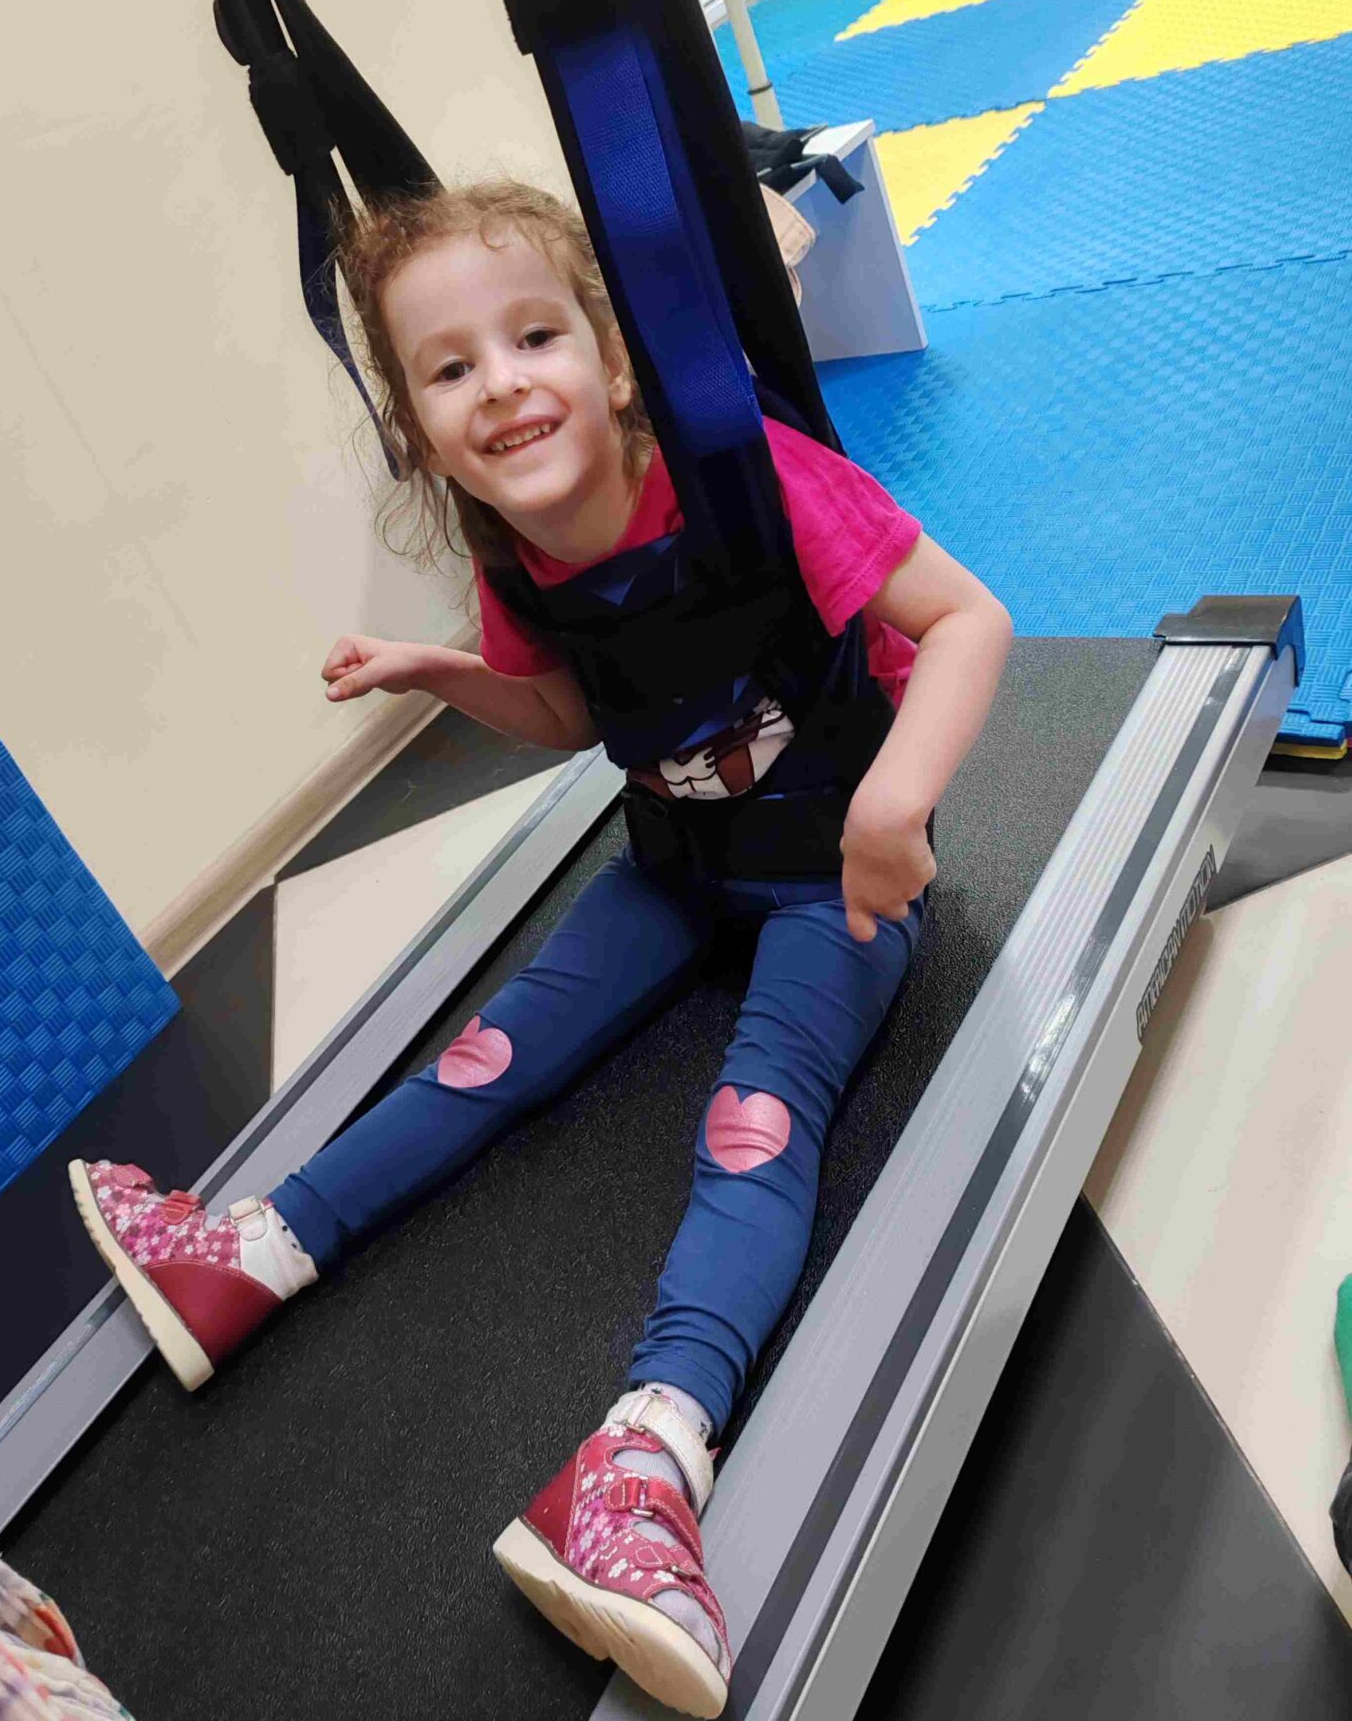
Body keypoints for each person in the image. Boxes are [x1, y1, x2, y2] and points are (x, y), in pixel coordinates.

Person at [70, 181, 1012, 1718]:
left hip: (831, 874)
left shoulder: (747, 479)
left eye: (533, 338)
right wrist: (443, 669)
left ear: (616, 360)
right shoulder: (512, 553)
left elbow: (968, 620)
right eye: (450, 370)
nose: (500, 385)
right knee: (488, 1055)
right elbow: (575, 718)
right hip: (676, 862)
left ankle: (648, 1457)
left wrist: (896, 804)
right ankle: (251, 1253)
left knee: (757, 1123)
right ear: (420, 431)